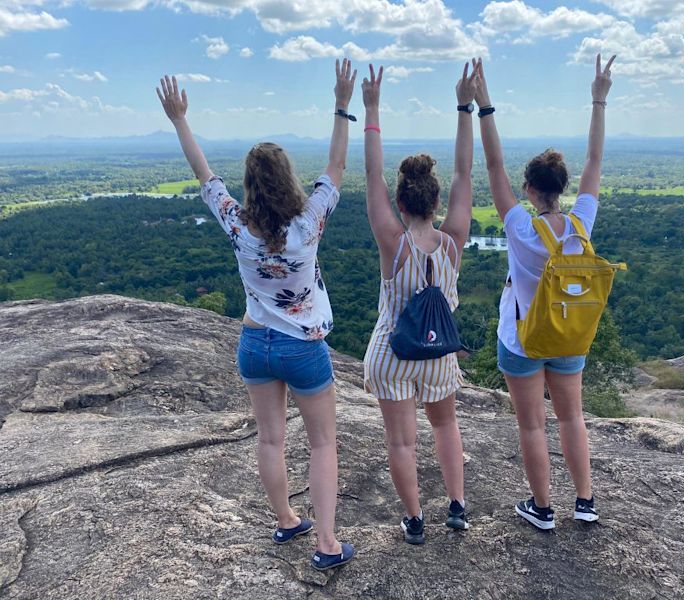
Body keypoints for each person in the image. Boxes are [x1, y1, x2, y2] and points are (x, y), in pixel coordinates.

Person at [156, 59, 358, 570]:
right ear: (288, 179)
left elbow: (204, 175)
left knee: (270, 438)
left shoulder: (236, 225)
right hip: (303, 346)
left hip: (254, 343)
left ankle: (287, 520)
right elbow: (336, 167)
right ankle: (328, 544)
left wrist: (180, 119)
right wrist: (342, 104)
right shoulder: (308, 223)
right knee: (322, 444)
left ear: (249, 185)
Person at [473, 54, 616, 529]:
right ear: (563, 187)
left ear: (530, 189)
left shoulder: (520, 227)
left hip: (523, 338)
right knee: (572, 418)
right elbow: (596, 159)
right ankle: (586, 501)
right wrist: (598, 99)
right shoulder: (582, 224)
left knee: (532, 424)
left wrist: (484, 105)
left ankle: (543, 508)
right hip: (570, 335)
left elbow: (492, 162)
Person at [361, 62, 477, 545]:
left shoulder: (393, 242)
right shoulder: (454, 241)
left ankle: (413, 520)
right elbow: (464, 172)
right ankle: (457, 506)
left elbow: (371, 175)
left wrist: (370, 108)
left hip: (393, 353)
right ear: (435, 203)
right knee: (446, 426)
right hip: (438, 352)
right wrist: (463, 107)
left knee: (402, 441)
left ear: (402, 205)